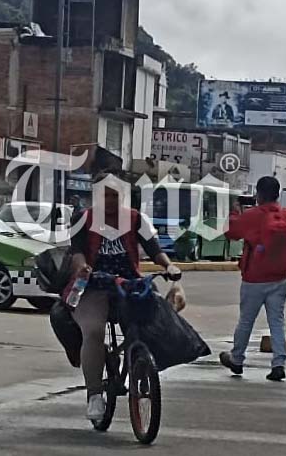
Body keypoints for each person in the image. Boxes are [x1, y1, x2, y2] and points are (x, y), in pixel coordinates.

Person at [68, 173, 181, 423]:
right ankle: (94, 395)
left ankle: (142, 364)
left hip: (129, 284)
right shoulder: (83, 219)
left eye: (114, 195)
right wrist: (82, 267)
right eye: (105, 195)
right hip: (94, 285)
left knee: (155, 319)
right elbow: (76, 252)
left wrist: (169, 266)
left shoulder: (135, 219)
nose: (109, 200)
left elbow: (154, 249)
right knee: (94, 331)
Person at [219, 176, 286, 382]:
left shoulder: (253, 215)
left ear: (259, 194)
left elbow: (230, 232)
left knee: (246, 320)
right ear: (278, 194)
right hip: (280, 278)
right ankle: (278, 363)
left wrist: (235, 212)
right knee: (277, 322)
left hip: (254, 278)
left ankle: (237, 359)